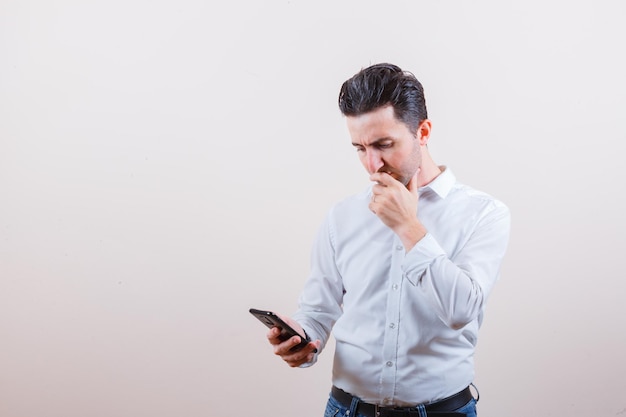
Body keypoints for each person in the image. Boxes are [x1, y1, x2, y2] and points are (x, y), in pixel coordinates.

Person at [264, 63, 511, 417]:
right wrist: (301, 341)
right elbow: (318, 311)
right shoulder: (342, 216)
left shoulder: (483, 214)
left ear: (423, 131)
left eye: (384, 145)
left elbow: (461, 311)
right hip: (348, 410)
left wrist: (408, 226)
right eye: (360, 148)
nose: (372, 164)